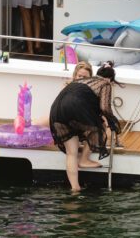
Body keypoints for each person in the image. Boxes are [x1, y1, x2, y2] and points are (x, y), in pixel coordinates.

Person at [49, 64, 121, 192]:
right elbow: (104, 107)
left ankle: (75, 189)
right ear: (110, 79)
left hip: (56, 111)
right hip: (74, 108)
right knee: (100, 127)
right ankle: (84, 159)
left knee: (71, 153)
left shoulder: (81, 81)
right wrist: (112, 121)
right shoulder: (105, 83)